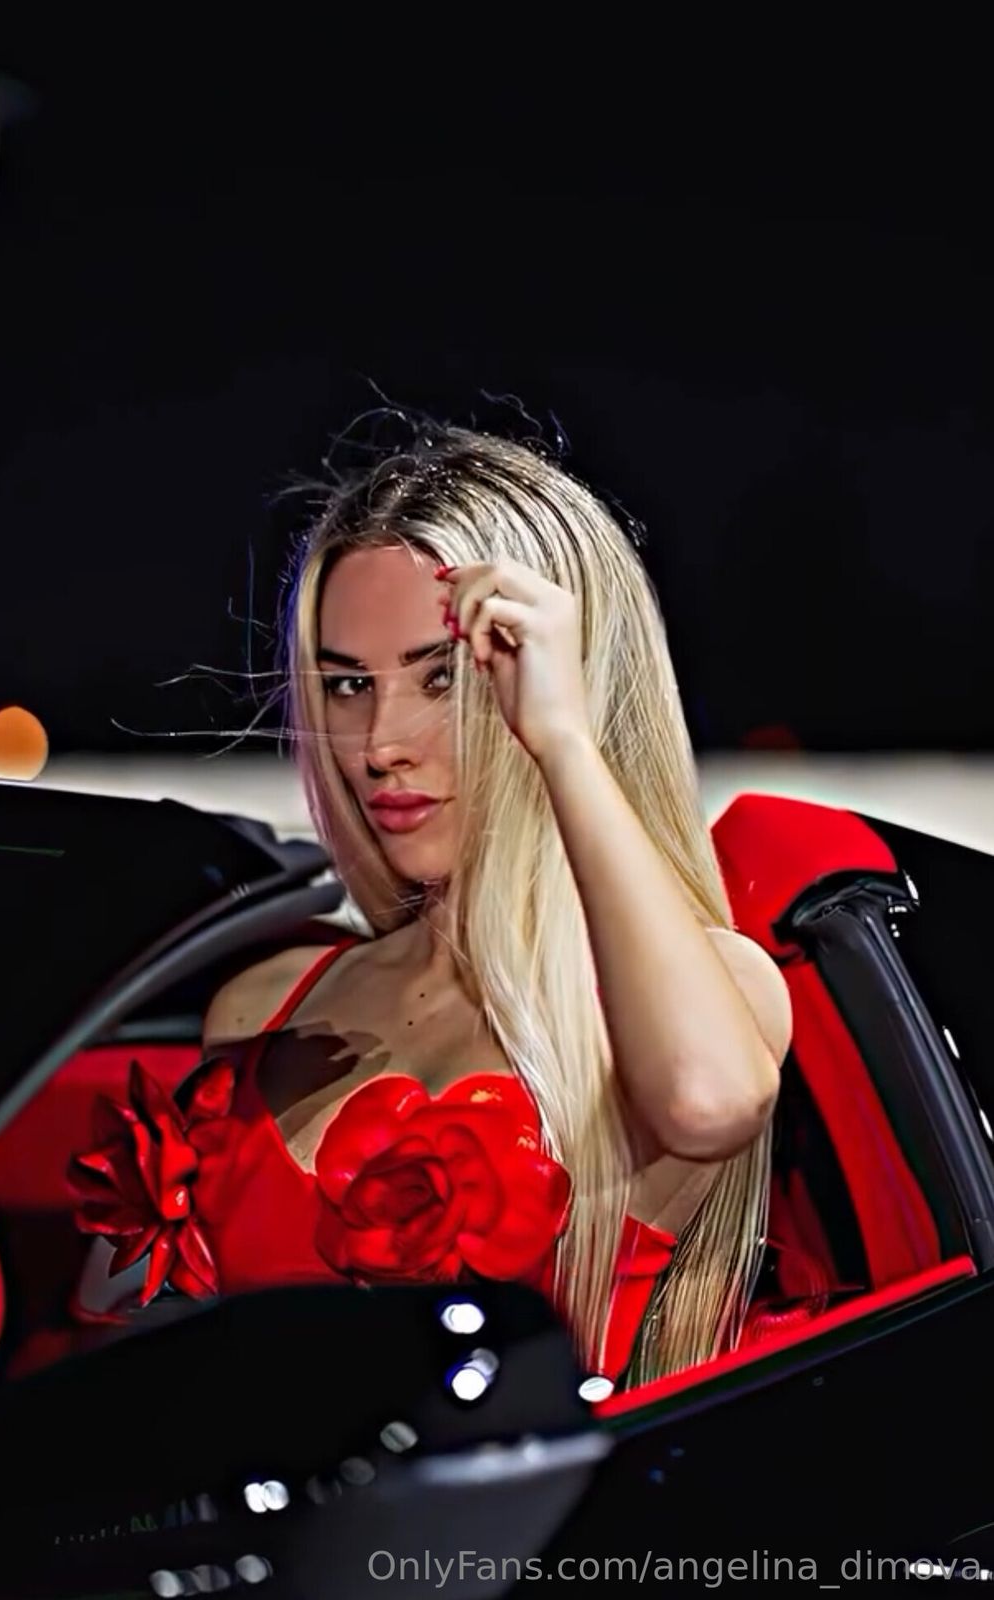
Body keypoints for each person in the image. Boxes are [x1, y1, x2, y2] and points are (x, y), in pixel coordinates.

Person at [71, 423, 791, 1390]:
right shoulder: (267, 1003)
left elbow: (708, 1103)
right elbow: (116, 1357)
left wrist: (563, 742)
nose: (378, 745)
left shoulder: (697, 1001)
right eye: (348, 684)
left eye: (442, 676)